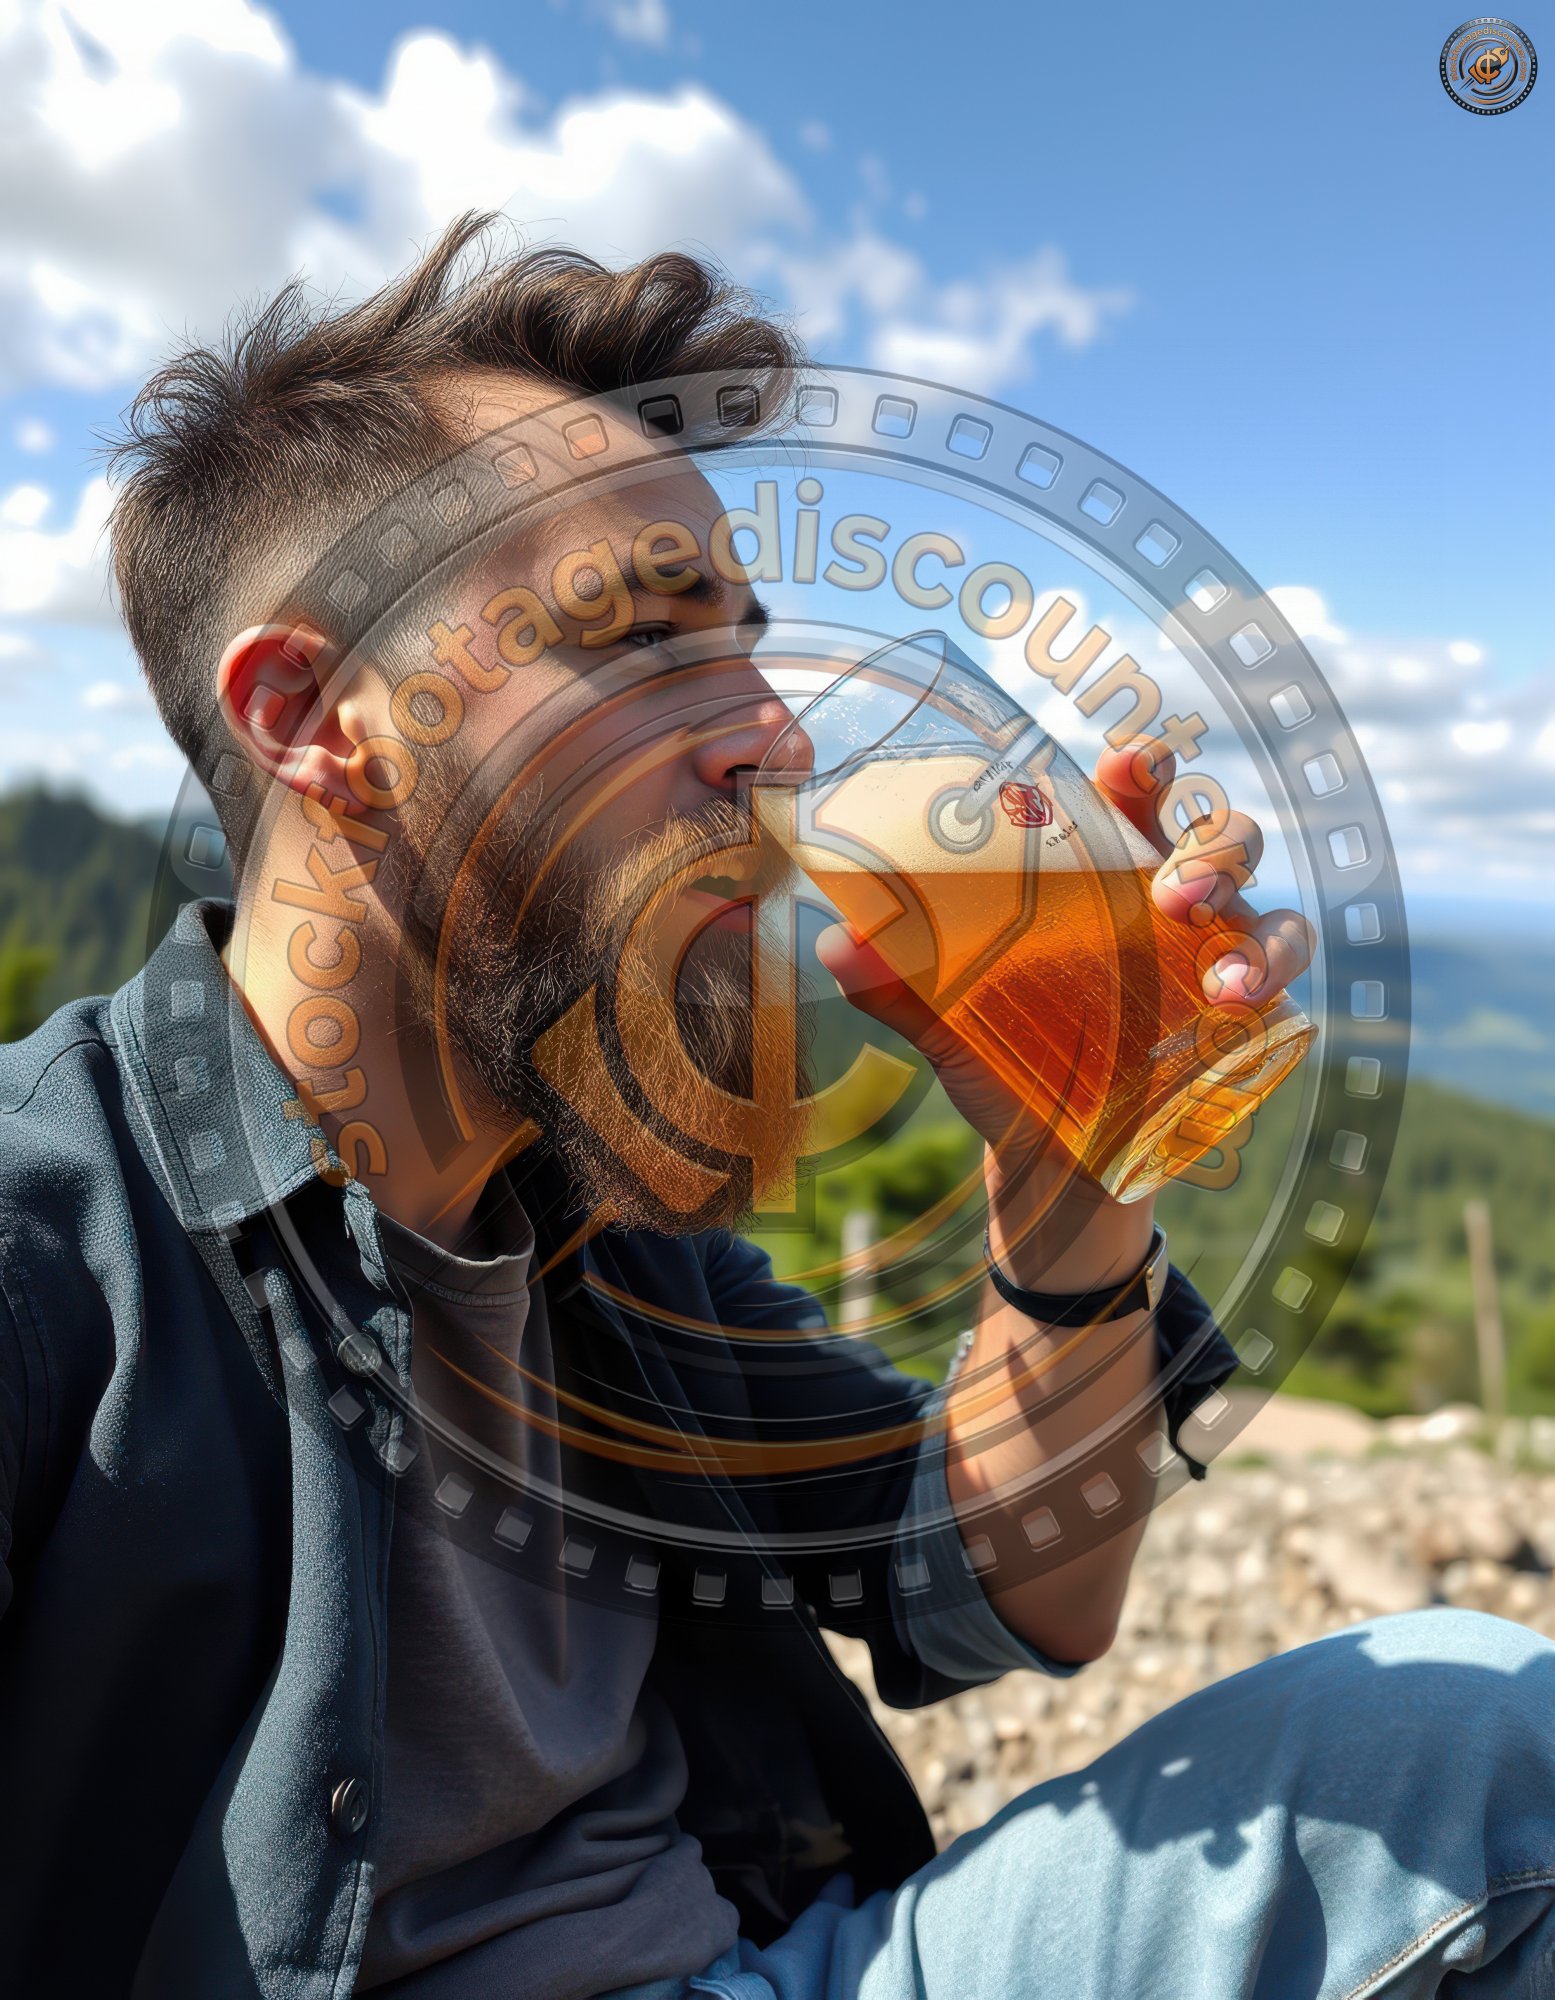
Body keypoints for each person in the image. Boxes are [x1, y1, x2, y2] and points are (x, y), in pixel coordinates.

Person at [0, 211, 1550, 2000]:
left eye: (747, 636)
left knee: (1470, 1745)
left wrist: (1072, 1174)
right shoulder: (52, 1252)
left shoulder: (596, 1232)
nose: (779, 735)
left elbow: (1013, 1593)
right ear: (318, 718)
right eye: (652, 641)